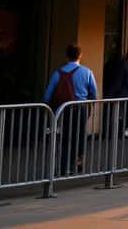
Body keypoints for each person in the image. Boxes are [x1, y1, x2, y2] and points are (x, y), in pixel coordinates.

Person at [43, 44, 98, 176]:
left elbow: (47, 95)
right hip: (81, 108)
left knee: (65, 137)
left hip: (64, 109)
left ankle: (62, 167)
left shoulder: (58, 72)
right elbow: (94, 94)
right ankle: (77, 164)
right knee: (79, 136)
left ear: (67, 56)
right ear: (80, 56)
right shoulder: (87, 72)